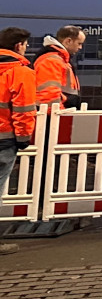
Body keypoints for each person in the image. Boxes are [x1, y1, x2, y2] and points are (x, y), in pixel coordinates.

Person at [0, 27, 37, 201]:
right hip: (4, 139)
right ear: (18, 46)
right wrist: (23, 138)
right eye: (26, 44)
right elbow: (24, 110)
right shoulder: (21, 73)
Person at [35, 25, 84, 109]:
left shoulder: (59, 59)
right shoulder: (52, 61)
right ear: (68, 41)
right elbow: (49, 95)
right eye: (79, 43)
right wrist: (61, 116)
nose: (80, 47)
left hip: (56, 114)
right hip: (53, 116)